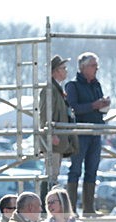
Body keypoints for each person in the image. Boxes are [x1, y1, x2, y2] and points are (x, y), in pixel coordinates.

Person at [65, 52, 110, 216]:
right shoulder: (73, 86)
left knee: (92, 169)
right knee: (75, 169)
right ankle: (71, 209)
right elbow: (72, 108)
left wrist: (103, 105)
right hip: (80, 133)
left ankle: (89, 208)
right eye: (93, 65)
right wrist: (93, 105)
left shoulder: (97, 85)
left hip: (95, 132)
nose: (96, 68)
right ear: (83, 67)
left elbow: (96, 107)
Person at [37, 55, 79, 205]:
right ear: (55, 71)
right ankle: (44, 206)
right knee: (51, 174)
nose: (65, 71)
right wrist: (50, 134)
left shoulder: (57, 89)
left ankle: (48, 204)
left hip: (58, 138)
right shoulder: (49, 90)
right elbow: (44, 115)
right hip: (53, 139)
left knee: (53, 174)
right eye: (63, 68)